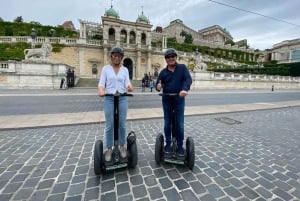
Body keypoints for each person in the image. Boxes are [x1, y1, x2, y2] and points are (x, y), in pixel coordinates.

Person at [98, 46, 133, 162]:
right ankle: (109, 148)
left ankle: (122, 146)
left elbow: (127, 82)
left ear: (121, 57)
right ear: (111, 56)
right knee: (110, 124)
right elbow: (101, 84)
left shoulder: (125, 70)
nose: (116, 57)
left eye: (119, 56)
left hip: (122, 98)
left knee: (122, 123)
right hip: (109, 98)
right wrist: (101, 90)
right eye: (114, 55)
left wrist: (129, 86)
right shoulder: (106, 69)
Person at [156, 48, 192, 156]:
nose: (171, 58)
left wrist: (185, 89)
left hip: (179, 99)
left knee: (179, 123)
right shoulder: (163, 72)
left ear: (176, 57)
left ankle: (180, 145)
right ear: (166, 59)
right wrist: (158, 86)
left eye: (173, 56)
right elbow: (158, 84)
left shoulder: (182, 68)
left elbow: (188, 80)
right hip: (167, 99)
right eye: (168, 57)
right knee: (168, 123)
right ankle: (168, 143)